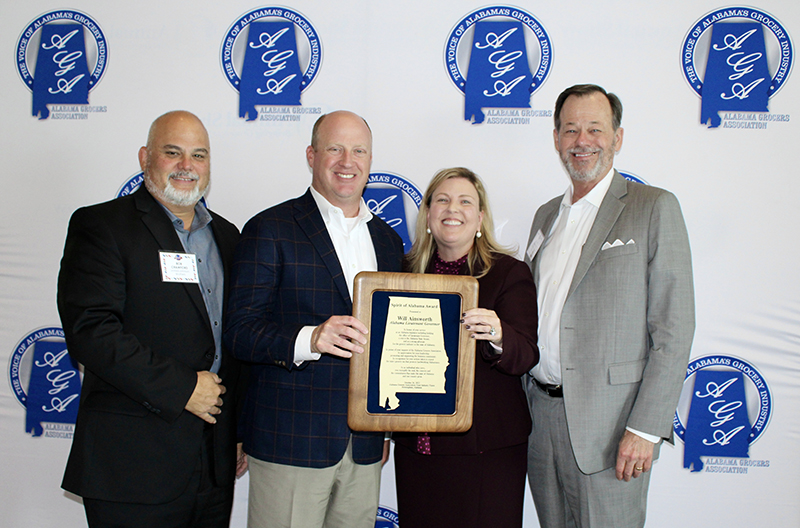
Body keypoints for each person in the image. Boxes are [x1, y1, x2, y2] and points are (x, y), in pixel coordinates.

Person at [57, 110, 246, 528]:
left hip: (213, 465)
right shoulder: (102, 226)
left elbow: (233, 341)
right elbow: (91, 332)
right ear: (145, 157)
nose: (186, 166)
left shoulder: (229, 237)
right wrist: (183, 388)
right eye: (172, 152)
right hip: (132, 466)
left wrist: (236, 431)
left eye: (198, 155)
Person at [524, 84, 695, 528]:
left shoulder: (653, 207)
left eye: (595, 129)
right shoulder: (546, 215)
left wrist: (645, 428)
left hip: (613, 429)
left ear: (617, 138)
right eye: (571, 129)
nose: (582, 141)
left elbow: (674, 329)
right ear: (556, 138)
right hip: (540, 422)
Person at [224, 110, 404, 528]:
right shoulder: (270, 228)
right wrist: (311, 338)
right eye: (335, 149)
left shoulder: (388, 240)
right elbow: (240, 332)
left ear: (371, 160)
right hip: (291, 442)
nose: (348, 161)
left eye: (359, 150)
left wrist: (387, 424)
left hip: (364, 445)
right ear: (311, 155)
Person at [393, 167, 539, 528]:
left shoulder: (508, 273)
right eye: (441, 200)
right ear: (427, 214)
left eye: (464, 201)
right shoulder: (402, 274)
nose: (451, 209)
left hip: (486, 451)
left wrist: (498, 333)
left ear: (480, 218)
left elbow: (526, 354)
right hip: (417, 449)